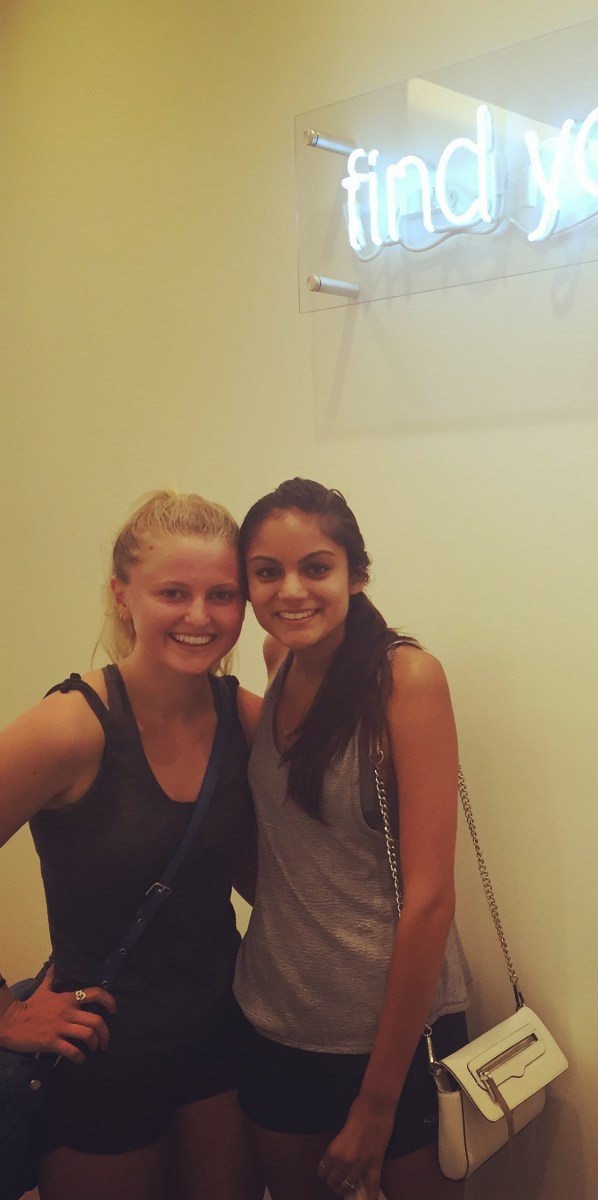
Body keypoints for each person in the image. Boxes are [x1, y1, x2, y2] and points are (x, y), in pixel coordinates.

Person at [0, 490, 262, 1200]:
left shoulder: (244, 719)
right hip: (103, 1052)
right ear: (123, 596)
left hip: (220, 1040)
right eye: (173, 593)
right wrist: (5, 1013)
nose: (199, 616)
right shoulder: (71, 726)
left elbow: (271, 874)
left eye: (222, 595)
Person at [233, 478, 471, 1200]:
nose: (290, 591)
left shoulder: (406, 678)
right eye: (267, 571)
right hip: (273, 1019)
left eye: (316, 567)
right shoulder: (278, 661)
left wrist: (377, 1102)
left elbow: (430, 902)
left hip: (392, 1038)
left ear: (356, 574)